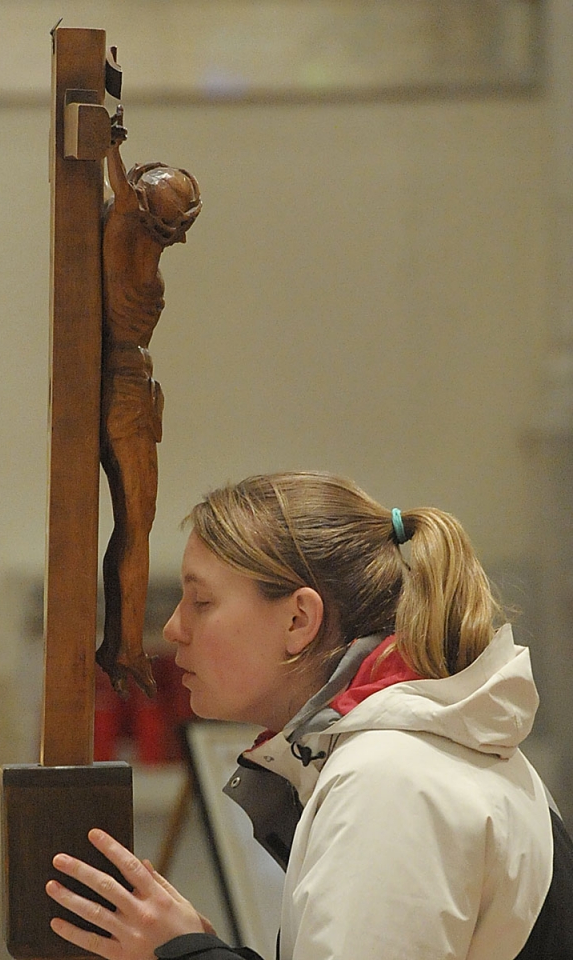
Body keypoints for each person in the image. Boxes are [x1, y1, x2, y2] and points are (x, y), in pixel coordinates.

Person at [46, 472, 573, 959]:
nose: (174, 628)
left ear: (298, 620)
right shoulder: (403, 754)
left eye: (200, 602)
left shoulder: (390, 780)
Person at [96, 108, 201, 697]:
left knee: (134, 524)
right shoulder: (130, 229)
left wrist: (112, 148)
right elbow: (125, 194)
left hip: (132, 385)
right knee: (136, 525)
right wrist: (109, 149)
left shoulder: (126, 230)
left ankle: (122, 641)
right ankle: (128, 646)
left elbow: (123, 191)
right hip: (126, 384)